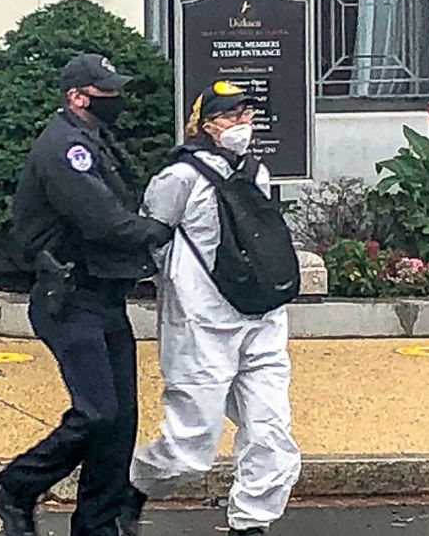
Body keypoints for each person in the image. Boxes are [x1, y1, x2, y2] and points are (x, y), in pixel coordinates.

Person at [0, 54, 174, 536]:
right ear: (78, 96)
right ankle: (17, 486)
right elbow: (100, 218)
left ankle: (98, 523)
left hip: (101, 295)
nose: (116, 99)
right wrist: (157, 230)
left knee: (120, 421)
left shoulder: (94, 138)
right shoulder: (65, 148)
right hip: (69, 298)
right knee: (96, 413)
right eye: (106, 91)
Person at [119, 81, 302, 536]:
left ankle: (251, 525)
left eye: (246, 115)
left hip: (260, 319)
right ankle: (132, 490)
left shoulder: (255, 172)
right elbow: (152, 239)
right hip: (201, 325)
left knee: (271, 431)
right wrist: (180, 287)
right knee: (191, 447)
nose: (242, 124)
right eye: (230, 116)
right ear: (203, 124)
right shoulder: (179, 177)